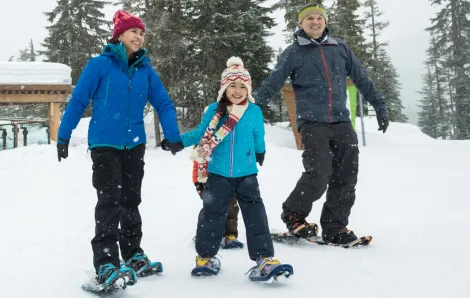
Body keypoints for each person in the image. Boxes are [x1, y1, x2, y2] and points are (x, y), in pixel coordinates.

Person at [56, 10, 183, 288]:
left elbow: (164, 103)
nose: (138, 36)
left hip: (134, 145)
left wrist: (172, 135)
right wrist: (63, 135)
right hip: (104, 144)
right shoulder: (99, 65)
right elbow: (78, 101)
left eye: (141, 33)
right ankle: (106, 262)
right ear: (119, 35)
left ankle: (133, 252)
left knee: (130, 201)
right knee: (110, 200)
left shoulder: (145, 69)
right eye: (133, 31)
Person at [252, 3, 389, 245]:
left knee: (347, 175)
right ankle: (294, 215)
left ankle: (335, 226)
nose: (315, 22)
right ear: (301, 24)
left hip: (341, 121)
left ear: (325, 22)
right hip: (312, 123)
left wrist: (379, 105)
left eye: (319, 18)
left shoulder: (340, 48)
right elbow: (274, 82)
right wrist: (253, 107)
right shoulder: (293, 53)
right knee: (319, 173)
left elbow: (361, 78)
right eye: (309, 19)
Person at [163, 57, 292, 280]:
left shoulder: (253, 111)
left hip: (247, 174)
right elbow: (200, 134)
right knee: (212, 214)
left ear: (248, 89)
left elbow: (257, 136)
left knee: (255, 214)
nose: (238, 90)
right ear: (224, 88)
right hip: (218, 173)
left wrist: (260, 152)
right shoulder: (215, 110)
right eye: (233, 85)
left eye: (243, 86)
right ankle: (205, 257)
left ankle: (264, 258)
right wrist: (177, 141)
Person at [191, 145, 244, 249]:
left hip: (229, 177)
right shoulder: (202, 143)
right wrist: (197, 183)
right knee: (211, 210)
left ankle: (230, 235)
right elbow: (196, 166)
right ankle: (207, 234)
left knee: (231, 208)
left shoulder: (229, 141)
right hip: (207, 180)